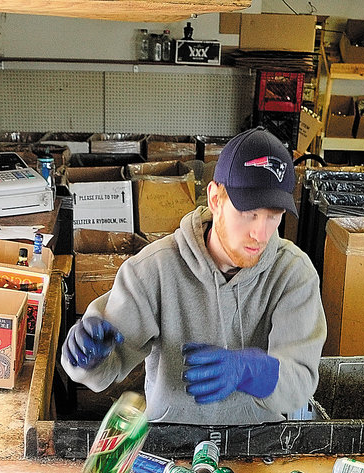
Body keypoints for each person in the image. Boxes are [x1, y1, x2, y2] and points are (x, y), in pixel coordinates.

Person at [61, 126, 327, 424]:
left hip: (259, 446)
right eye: (249, 214)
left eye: (273, 215)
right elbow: (104, 372)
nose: (260, 233)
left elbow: (300, 385)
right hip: (170, 447)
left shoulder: (293, 273)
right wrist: (86, 356)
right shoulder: (154, 269)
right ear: (216, 199)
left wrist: (254, 371)